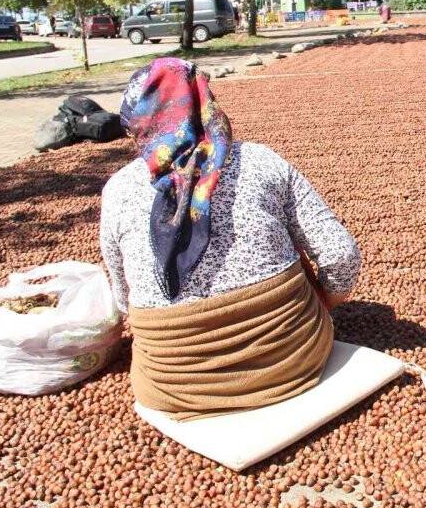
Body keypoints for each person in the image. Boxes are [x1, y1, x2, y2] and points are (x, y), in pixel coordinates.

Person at [100, 57, 361, 421]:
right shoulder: (261, 161)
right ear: (206, 102)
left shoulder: (117, 190)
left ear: (138, 124)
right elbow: (340, 254)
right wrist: (325, 304)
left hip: (174, 385)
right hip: (292, 360)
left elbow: (124, 300)